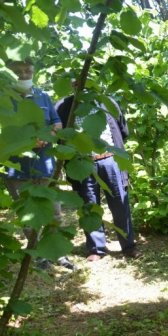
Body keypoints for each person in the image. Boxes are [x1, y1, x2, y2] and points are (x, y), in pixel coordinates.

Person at [2, 58, 74, 271]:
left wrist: (47, 135)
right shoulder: (4, 98)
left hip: (44, 165)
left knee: (54, 211)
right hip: (16, 169)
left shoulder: (43, 96)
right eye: (18, 72)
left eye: (28, 71)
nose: (24, 75)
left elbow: (57, 123)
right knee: (28, 215)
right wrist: (26, 142)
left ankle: (58, 253)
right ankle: (40, 256)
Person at [55, 88, 142, 262]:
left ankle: (128, 246)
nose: (80, 83)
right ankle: (96, 248)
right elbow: (59, 135)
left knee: (120, 202)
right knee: (89, 205)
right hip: (82, 162)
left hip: (110, 159)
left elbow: (122, 129)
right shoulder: (63, 106)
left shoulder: (107, 102)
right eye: (75, 80)